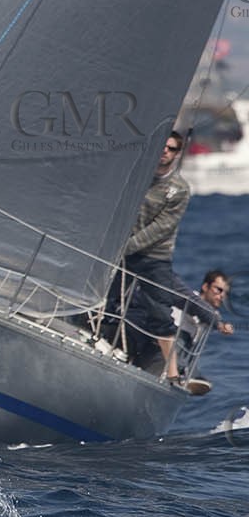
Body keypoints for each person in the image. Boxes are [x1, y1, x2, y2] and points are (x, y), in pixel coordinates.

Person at [102, 132, 191, 377]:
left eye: (171, 149)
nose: (165, 151)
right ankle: (102, 343)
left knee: (159, 313)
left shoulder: (180, 189)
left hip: (154, 258)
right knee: (106, 301)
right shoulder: (138, 177)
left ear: (177, 153)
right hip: (123, 252)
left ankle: (173, 372)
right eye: (163, 146)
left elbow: (161, 227)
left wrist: (125, 247)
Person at [173, 269, 233, 383]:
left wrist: (222, 324)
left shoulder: (214, 314)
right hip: (174, 338)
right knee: (184, 339)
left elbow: (211, 316)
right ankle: (183, 373)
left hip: (186, 350)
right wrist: (219, 325)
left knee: (195, 347)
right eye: (218, 290)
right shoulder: (193, 298)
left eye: (225, 293)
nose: (221, 296)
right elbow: (200, 311)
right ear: (206, 287)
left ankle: (189, 373)